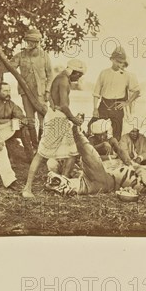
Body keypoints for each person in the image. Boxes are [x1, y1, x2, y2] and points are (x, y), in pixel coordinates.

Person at [22, 59, 86, 198]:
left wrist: (54, 105)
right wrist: (73, 118)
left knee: (72, 153)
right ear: (73, 71)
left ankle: (63, 183)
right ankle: (27, 188)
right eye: (78, 75)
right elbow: (63, 105)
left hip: (59, 118)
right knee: (41, 153)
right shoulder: (63, 80)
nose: (78, 78)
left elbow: (52, 97)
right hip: (56, 120)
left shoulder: (61, 78)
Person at [10, 27, 52, 150]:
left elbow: (50, 75)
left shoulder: (44, 56)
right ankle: (34, 146)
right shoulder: (21, 56)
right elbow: (8, 67)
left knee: (43, 119)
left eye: (33, 42)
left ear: (38, 43)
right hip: (26, 93)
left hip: (41, 93)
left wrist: (48, 91)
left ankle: (43, 146)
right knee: (30, 120)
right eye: (28, 41)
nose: (30, 44)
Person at [92, 46, 140, 141]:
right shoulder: (104, 73)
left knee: (117, 131)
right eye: (118, 61)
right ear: (112, 59)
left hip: (117, 106)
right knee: (98, 128)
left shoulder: (127, 75)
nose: (120, 64)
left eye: (122, 62)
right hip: (104, 105)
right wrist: (95, 108)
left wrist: (127, 102)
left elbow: (137, 91)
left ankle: (115, 153)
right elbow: (96, 93)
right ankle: (100, 151)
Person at [0, 82, 35, 162]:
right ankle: (6, 158)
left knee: (24, 129)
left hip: (9, 129)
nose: (8, 93)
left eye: (9, 90)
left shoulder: (11, 104)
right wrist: (9, 121)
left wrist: (23, 119)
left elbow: (18, 113)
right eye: (5, 91)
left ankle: (31, 158)